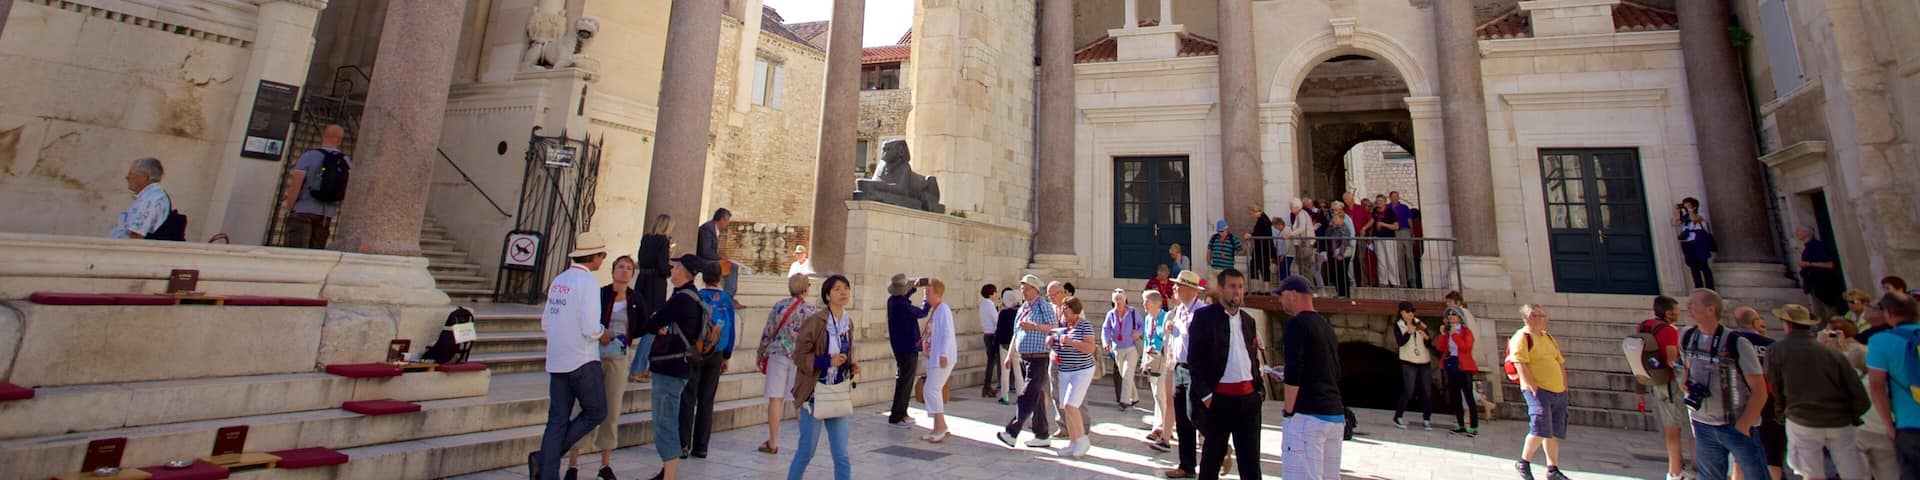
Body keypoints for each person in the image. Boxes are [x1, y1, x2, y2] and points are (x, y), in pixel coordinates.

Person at [531, 232, 613, 480]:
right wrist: (603, 333)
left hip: (557, 358)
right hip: (582, 359)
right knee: (596, 411)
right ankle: (546, 457)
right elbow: (590, 327)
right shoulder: (588, 283)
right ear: (595, 257)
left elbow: (546, 321)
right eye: (602, 255)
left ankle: (546, 469)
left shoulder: (559, 280)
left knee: (556, 419)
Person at [1766, 304, 1872, 480]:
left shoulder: (1776, 351)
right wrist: (1853, 415)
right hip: (1838, 418)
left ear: (1787, 324)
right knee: (1852, 470)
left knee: (1811, 473)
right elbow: (1855, 387)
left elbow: (1776, 387)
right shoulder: (1832, 352)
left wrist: (1781, 414)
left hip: (1801, 417)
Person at [1677, 289, 1770, 480]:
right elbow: (1686, 367)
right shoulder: (1686, 337)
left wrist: (1744, 425)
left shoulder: (1737, 343)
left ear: (1711, 309)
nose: (1687, 307)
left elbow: (1760, 390)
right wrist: (1684, 380)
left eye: (1693, 303)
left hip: (1735, 424)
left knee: (1756, 475)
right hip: (1703, 423)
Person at [564, 255, 640, 480]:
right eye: (620, 267)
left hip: (617, 357)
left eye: (628, 268)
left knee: (612, 408)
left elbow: (641, 325)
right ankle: (573, 464)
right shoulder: (599, 293)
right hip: (592, 355)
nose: (624, 271)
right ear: (613, 270)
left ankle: (605, 464)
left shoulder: (635, 299)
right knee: (582, 406)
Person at [1188, 269, 1264, 479]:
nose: (1237, 292)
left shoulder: (1248, 320)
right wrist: (1206, 395)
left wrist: (1259, 391)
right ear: (1221, 289)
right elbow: (1195, 359)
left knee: (1250, 462)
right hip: (1219, 400)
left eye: (1240, 287)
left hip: (1249, 400)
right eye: (1232, 286)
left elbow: (1252, 357)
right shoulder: (1204, 318)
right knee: (1212, 458)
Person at [787, 274, 861, 480]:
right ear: (827, 295)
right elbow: (800, 356)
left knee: (841, 454)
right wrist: (826, 361)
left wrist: (850, 365)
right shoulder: (816, 322)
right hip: (815, 393)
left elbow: (845, 353)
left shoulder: (848, 323)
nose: (843, 292)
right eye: (837, 289)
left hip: (837, 392)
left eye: (846, 288)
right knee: (806, 452)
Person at [1276, 275, 1345, 480]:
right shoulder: (1325, 325)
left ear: (1293, 295)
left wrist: (1289, 413)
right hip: (1334, 414)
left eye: (1282, 296)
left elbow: (1294, 372)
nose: (1280, 301)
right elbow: (1332, 369)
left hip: (1308, 416)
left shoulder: (1296, 324)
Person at [681, 261, 737, 459]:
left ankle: (683, 444)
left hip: (695, 351)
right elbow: (731, 330)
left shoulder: (697, 297)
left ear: (702, 277)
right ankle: (701, 447)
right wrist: (727, 356)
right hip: (716, 352)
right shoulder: (726, 300)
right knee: (706, 400)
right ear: (720, 277)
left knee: (688, 397)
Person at [756, 274, 816, 454]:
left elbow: (768, 331)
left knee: (776, 399)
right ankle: (805, 443)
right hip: (799, 357)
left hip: (778, 353)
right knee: (799, 400)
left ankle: (773, 442)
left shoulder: (779, 306)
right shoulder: (811, 311)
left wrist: (760, 353)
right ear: (806, 289)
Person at [1510, 304, 1571, 480]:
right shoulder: (1522, 337)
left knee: (1552, 431)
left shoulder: (1547, 337)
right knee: (1539, 427)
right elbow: (1519, 363)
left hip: (1558, 390)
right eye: (1541, 316)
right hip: (1539, 390)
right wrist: (1533, 387)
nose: (1546, 319)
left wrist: (1564, 384)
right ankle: (1523, 462)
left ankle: (1552, 469)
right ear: (1530, 318)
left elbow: (1559, 361)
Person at [998, 275, 1060, 449]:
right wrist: (1010, 356)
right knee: (1037, 396)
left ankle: (1012, 431)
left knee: (1026, 395)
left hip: (1039, 357)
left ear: (1034, 289)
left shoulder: (1043, 306)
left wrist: (1034, 326)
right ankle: (1041, 434)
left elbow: (1054, 327)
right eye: (1021, 288)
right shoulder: (1022, 308)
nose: (1022, 292)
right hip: (1025, 357)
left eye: (1025, 288)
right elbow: (1016, 333)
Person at [1863, 293, 1920, 479]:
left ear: (1888, 314)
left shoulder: (1880, 341)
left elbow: (1876, 386)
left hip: (1908, 423)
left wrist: (1889, 425)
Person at [1162, 270, 1207, 479]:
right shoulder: (1179, 310)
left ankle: (1218, 443)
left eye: (1179, 286)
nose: (1175, 289)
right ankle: (1186, 465)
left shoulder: (1202, 312)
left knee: (1194, 414)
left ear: (1190, 289)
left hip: (1196, 369)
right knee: (1182, 418)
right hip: (1179, 367)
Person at [1732, 307, 1787, 480]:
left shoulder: (1728, 342)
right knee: (1772, 449)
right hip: (1767, 401)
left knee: (1740, 451)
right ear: (1755, 322)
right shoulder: (1770, 345)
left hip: (1737, 400)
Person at [1638, 296, 1689, 480]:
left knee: (1670, 425)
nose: (1678, 313)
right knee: (1675, 427)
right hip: (1670, 382)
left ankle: (1677, 467)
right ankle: (1676, 471)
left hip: (1654, 381)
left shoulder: (1644, 326)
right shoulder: (1669, 331)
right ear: (1668, 313)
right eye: (1676, 310)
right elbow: (1671, 360)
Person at [281, 125, 350, 249]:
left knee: (295, 254)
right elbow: (347, 188)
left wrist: (289, 207)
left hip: (303, 210)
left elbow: (295, 185)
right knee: (315, 254)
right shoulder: (345, 161)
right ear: (340, 140)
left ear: (323, 136)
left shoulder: (309, 156)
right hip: (326, 214)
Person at [1049, 296, 1099, 457]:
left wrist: (1071, 342)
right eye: (1062, 308)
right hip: (1064, 370)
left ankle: (1083, 440)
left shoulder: (1085, 325)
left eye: (1066, 308)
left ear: (1074, 310)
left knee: (1072, 405)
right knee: (1065, 407)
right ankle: (1073, 441)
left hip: (1082, 370)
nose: (1063, 311)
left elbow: (1090, 348)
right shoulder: (1062, 326)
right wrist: (1052, 342)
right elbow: (1059, 348)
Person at [630, 215, 674, 383]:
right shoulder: (663, 241)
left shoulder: (646, 239)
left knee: (646, 325)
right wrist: (670, 269)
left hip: (642, 283)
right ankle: (638, 368)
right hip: (655, 286)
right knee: (652, 328)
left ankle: (643, 366)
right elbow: (662, 266)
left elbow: (642, 259)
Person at [884, 273, 929, 427]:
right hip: (907, 346)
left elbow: (903, 295)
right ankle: (897, 415)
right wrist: (926, 300)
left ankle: (901, 412)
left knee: (904, 379)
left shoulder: (893, 301)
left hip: (900, 345)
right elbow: (922, 312)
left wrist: (913, 288)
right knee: (905, 381)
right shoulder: (902, 306)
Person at [922, 279, 958, 443]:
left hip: (942, 356)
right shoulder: (935, 310)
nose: (925, 294)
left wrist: (944, 354)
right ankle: (938, 426)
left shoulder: (943, 310)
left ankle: (940, 426)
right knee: (930, 389)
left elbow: (947, 333)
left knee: (932, 389)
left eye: (929, 291)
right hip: (933, 356)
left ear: (937, 293)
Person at [1437, 306, 1480, 436]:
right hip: (1452, 364)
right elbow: (1441, 347)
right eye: (1449, 314)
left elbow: (1465, 346)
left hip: (1464, 366)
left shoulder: (1466, 332)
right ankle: (1460, 424)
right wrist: (1444, 335)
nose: (1450, 316)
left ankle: (1473, 426)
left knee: (1468, 396)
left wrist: (1455, 335)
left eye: (1453, 314)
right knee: (1455, 396)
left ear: (1460, 317)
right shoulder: (1448, 332)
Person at [1392, 301, 1435, 429]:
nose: (1411, 314)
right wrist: (1408, 333)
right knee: (1409, 391)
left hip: (1423, 360)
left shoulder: (1419, 322)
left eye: (1412, 311)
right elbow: (1400, 342)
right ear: (1402, 313)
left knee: (1427, 391)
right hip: (1408, 361)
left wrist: (1426, 337)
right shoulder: (1398, 325)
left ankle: (1427, 418)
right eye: (1408, 311)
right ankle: (1398, 416)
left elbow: (1429, 342)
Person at [1139, 289, 1173, 451]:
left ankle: (1160, 427)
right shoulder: (1147, 319)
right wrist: (1145, 359)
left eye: (1146, 301)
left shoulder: (1164, 317)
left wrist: (1157, 350)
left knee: (1161, 393)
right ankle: (1161, 425)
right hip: (1151, 359)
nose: (1144, 304)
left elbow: (1165, 338)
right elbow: (1146, 338)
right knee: (1156, 393)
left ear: (1156, 302)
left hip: (1163, 359)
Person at [109, 157, 172, 240]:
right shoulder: (149, 196)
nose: (127, 178)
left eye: (131, 174)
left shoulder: (152, 198)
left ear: (144, 177)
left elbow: (137, 235)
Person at [1103, 288, 1143, 411]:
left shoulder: (1133, 312)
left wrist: (1138, 332)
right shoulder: (1111, 314)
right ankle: (1135, 397)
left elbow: (1142, 325)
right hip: (1117, 349)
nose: (1118, 302)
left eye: (1120, 299)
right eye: (1116, 300)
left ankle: (1124, 401)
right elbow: (1106, 329)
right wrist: (1106, 341)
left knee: (1126, 373)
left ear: (1125, 299)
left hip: (1131, 348)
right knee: (1125, 374)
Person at [1797, 227, 1846, 318]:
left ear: (1808, 233)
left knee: (1830, 312)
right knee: (1819, 314)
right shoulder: (1807, 248)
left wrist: (1809, 264)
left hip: (1823, 285)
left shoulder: (1818, 246)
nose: (1797, 232)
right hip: (1814, 285)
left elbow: (1830, 265)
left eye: (1800, 230)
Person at [1673, 197, 1715, 289]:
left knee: (1704, 266)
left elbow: (1694, 219)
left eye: (1687, 205)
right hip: (1688, 244)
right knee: (1693, 267)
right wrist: (1677, 212)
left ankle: (1710, 288)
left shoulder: (1701, 214)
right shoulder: (1684, 217)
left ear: (1694, 206)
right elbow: (1675, 223)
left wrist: (1690, 210)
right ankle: (1698, 288)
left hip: (1699, 242)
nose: (1685, 207)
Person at [696, 208, 738, 298]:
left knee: (731, 265)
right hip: (703, 261)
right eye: (727, 221)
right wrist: (720, 258)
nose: (727, 224)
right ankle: (729, 296)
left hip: (708, 259)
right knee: (732, 267)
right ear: (722, 219)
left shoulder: (712, 229)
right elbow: (705, 251)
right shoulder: (707, 229)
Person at [1283, 199, 1318, 284]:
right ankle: (1306, 287)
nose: (1290, 209)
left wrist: (1290, 234)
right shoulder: (1302, 214)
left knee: (1304, 267)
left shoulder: (1301, 214)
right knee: (1303, 267)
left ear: (1296, 207)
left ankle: (1308, 288)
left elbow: (1302, 228)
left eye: (1291, 207)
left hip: (1304, 244)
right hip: (1304, 243)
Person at [996, 288, 1021, 404]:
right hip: (1017, 345)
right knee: (1018, 371)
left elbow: (999, 329)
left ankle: (1005, 396)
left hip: (1005, 345)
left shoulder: (1003, 313)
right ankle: (1021, 396)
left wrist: (996, 343)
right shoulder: (1019, 312)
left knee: (1005, 371)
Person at [1371, 195, 1403, 288]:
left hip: (1389, 238)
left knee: (1391, 260)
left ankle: (1395, 281)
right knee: (1381, 260)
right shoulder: (1375, 211)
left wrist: (1383, 224)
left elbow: (1396, 226)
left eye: (1380, 201)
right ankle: (1383, 281)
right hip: (1378, 237)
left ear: (1385, 202)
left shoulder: (1390, 212)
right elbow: (1373, 220)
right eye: (1377, 201)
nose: (1378, 202)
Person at [1325, 204, 1356, 298]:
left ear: (1341, 219)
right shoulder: (1334, 227)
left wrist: (1341, 254)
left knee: (1342, 273)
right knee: (1336, 273)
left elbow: (1344, 241)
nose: (1333, 220)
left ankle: (1345, 294)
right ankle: (1339, 292)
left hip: (1342, 253)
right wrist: (1331, 227)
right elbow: (1326, 234)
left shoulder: (1344, 228)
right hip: (1333, 252)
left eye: (1335, 218)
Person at [979, 284, 1003, 398]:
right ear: (991, 293)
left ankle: (986, 386)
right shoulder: (989, 304)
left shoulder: (983, 304)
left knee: (990, 361)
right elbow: (996, 320)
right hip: (992, 335)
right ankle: (987, 386)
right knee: (992, 362)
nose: (996, 294)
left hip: (986, 334)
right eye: (995, 292)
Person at [1389, 192, 1416, 286]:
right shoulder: (1388, 208)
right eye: (1393, 197)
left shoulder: (1404, 207)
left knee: (1409, 256)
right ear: (1390, 198)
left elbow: (1409, 221)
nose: (1395, 199)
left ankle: (1412, 280)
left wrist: (1412, 234)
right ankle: (1402, 282)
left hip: (1405, 231)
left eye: (1396, 197)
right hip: (1395, 233)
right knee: (1399, 258)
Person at [1247, 206, 1276, 282]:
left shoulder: (1262, 220)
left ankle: (1256, 289)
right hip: (1262, 247)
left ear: (1256, 211)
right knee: (1261, 267)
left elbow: (1261, 233)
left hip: (1262, 248)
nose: (1252, 216)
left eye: (1252, 213)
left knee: (1257, 267)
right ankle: (1261, 289)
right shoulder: (1263, 218)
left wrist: (1251, 235)